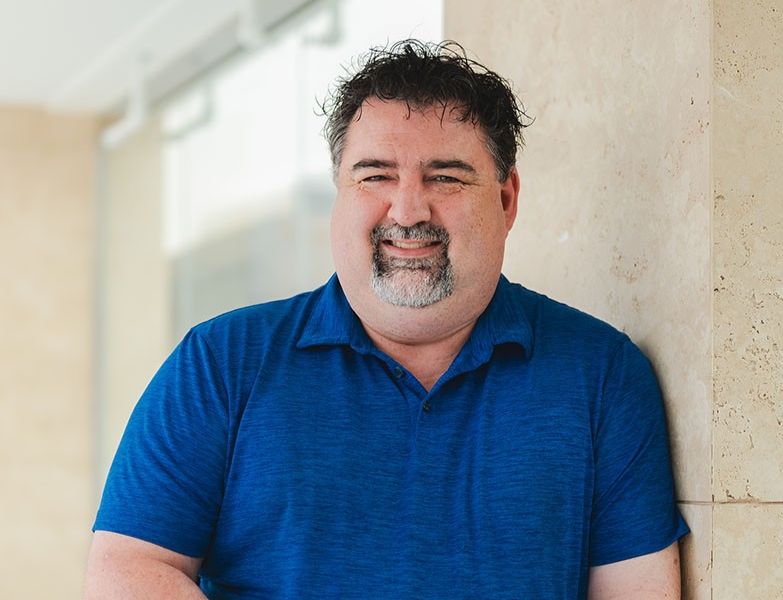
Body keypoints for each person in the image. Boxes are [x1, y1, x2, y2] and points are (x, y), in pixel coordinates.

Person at [85, 40, 688, 599]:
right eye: (376, 175)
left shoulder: (603, 377)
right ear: (339, 194)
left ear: (506, 200)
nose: (407, 209)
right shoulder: (221, 364)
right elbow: (128, 570)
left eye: (445, 177)